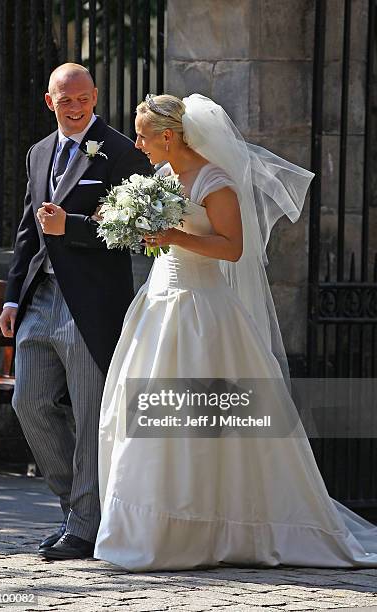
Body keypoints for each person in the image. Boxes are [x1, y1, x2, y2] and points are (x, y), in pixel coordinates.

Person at [94, 93, 377, 571]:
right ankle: (150, 529)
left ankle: (215, 527)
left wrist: (174, 236)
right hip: (158, 305)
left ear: (168, 136)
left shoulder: (215, 180)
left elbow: (232, 249)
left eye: (143, 135)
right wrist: (131, 228)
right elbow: (160, 238)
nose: (137, 143)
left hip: (202, 311)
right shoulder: (162, 177)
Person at [0, 63, 152, 560]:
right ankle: (76, 508)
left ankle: (85, 527)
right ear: (50, 102)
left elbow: (136, 229)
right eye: (66, 100)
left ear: (95, 97)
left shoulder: (120, 151)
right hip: (40, 298)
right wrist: (11, 297)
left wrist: (75, 227)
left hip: (90, 302)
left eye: (84, 99)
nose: (77, 107)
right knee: (29, 402)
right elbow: (28, 228)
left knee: (88, 415)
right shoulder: (38, 152)